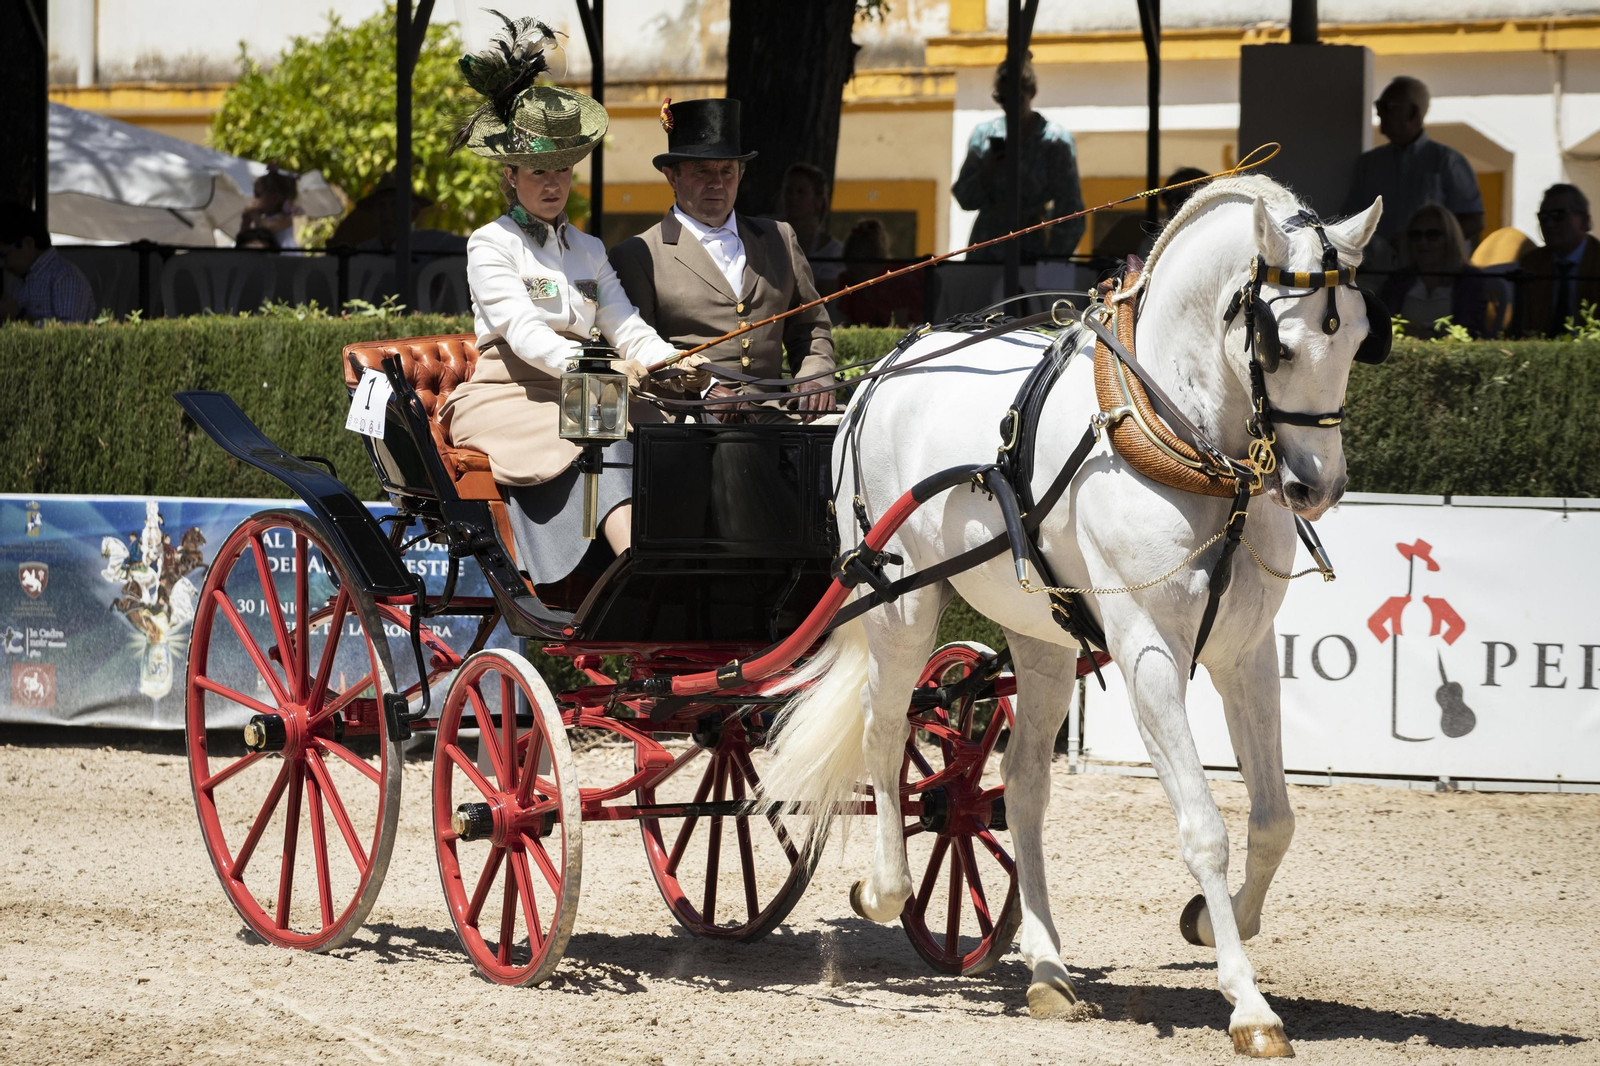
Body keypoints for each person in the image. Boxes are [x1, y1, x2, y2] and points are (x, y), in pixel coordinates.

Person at [436, 15, 708, 588]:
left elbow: (624, 322)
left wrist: (671, 362)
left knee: (678, 427)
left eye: (562, 169)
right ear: (511, 175)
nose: (552, 183)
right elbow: (523, 332)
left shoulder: (587, 249)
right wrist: (600, 367)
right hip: (508, 393)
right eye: (538, 171)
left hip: (588, 389)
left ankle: (694, 564)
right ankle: (636, 574)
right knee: (600, 427)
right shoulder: (490, 243)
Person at [609, 98, 836, 423]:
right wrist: (703, 391)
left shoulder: (779, 238)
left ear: (741, 174)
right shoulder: (638, 254)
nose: (716, 182)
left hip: (774, 419)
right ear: (672, 177)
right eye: (702, 171)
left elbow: (809, 326)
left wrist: (816, 376)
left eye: (727, 171)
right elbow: (636, 350)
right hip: (688, 426)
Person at [952, 56, 1085, 263]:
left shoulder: (1054, 141)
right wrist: (987, 171)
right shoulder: (984, 135)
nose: (1011, 108)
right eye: (1004, 100)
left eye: (1017, 99)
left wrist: (1052, 260)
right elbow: (964, 197)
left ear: (1031, 92)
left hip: (1032, 247)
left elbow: (1071, 208)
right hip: (988, 247)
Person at [1343, 76, 1484, 257]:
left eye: (1386, 107)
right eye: (1378, 106)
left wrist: (1424, 245)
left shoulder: (1446, 162)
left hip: (1431, 274)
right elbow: (1351, 220)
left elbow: (1473, 220)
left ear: (1412, 113)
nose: (1379, 113)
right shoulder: (1368, 164)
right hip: (1379, 273)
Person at [1379, 203, 1502, 338]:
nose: (1423, 242)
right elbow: (1383, 325)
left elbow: (1470, 330)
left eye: (1433, 234)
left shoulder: (1471, 281)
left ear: (1450, 238)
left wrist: (1428, 335)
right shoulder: (1398, 280)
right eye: (1416, 235)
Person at [1516, 184, 1600, 336]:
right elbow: (1521, 327)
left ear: (1585, 221)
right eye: (1543, 218)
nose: (1549, 224)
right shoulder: (1531, 263)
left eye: (1558, 216)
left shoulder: (1596, 258)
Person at [0, 203, 96, 324]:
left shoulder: (65, 277)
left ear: (28, 244)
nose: (2, 264)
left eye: (3, 255)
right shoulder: (19, 281)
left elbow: (68, 336)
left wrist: (18, 316)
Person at [835, 218, 922, 327]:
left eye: (863, 262)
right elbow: (846, 322)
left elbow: (900, 326)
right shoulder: (848, 281)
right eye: (852, 264)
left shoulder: (897, 279)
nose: (857, 270)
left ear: (876, 259)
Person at [781, 162, 845, 293]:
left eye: (801, 192)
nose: (793, 198)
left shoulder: (832, 252)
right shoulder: (764, 231)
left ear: (818, 201)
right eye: (789, 191)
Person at [238, 165, 302, 250]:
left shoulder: (285, 218)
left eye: (258, 195)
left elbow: (265, 229)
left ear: (274, 199)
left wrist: (255, 216)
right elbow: (245, 239)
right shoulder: (264, 218)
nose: (254, 199)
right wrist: (245, 222)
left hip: (286, 258)